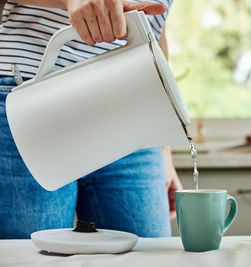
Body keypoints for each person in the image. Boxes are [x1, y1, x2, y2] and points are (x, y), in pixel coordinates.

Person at [0, 0, 183, 238]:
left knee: (148, 254)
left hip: (133, 104)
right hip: (33, 97)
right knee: (33, 256)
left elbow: (155, 31)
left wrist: (164, 151)